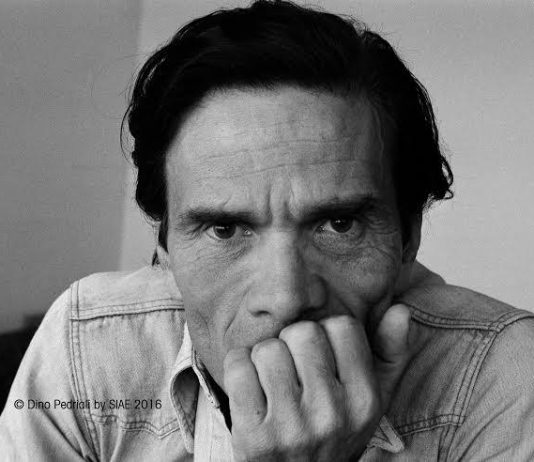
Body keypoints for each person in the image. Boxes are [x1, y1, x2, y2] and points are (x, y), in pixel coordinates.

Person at [1, 1, 533, 460]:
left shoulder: (503, 377)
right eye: (225, 228)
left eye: (339, 224)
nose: (286, 299)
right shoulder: (88, 351)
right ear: (164, 248)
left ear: (408, 236)